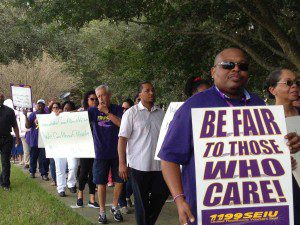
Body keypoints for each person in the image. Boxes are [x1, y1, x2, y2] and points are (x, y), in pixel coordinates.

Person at [158, 48, 300, 225]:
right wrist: (179, 200)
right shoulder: (193, 106)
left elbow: (266, 153)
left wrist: (288, 148)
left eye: (242, 66)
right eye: (228, 65)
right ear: (213, 71)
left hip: (258, 213)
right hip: (210, 215)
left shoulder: (259, 104)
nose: (236, 69)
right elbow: (168, 158)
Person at [118, 82, 170, 225]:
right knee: (141, 203)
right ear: (140, 94)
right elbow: (122, 140)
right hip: (138, 166)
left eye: (153, 90)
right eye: (147, 90)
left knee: (160, 196)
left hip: (159, 166)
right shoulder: (131, 113)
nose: (151, 93)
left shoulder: (161, 114)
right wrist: (122, 164)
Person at [265, 68, 300, 225]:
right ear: (273, 90)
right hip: (283, 188)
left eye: (296, 83)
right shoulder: (263, 120)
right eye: (288, 83)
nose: (295, 86)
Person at [88, 85, 124, 224]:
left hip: (117, 152)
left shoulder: (117, 109)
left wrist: (107, 112)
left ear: (109, 95)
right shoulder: (92, 111)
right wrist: (61, 113)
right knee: (101, 182)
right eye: (98, 96)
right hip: (100, 152)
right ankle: (102, 211)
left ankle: (114, 206)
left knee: (120, 181)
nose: (100, 99)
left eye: (103, 95)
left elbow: (122, 124)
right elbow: (77, 118)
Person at [76, 91, 99, 208]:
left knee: (93, 173)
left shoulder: (101, 112)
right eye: (92, 99)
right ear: (87, 100)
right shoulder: (81, 113)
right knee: (84, 172)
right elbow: (69, 117)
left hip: (98, 148)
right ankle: (80, 195)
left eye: (96, 99)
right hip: (85, 147)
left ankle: (92, 198)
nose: (94, 101)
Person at [54, 101, 78, 197]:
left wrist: (72, 113)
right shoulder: (56, 116)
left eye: (69, 109)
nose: (66, 111)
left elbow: (82, 111)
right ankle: (61, 188)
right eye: (65, 109)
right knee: (60, 168)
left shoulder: (77, 118)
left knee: (73, 165)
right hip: (58, 146)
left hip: (72, 146)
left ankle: (71, 183)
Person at [24, 99, 50, 181]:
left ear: (44, 106)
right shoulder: (33, 114)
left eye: (42, 104)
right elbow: (27, 126)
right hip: (34, 140)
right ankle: (32, 172)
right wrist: (25, 116)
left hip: (44, 140)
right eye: (39, 104)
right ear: (36, 106)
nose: (40, 106)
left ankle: (44, 173)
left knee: (44, 158)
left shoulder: (47, 115)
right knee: (33, 157)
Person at [0, 92, 20, 191]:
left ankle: (5, 184)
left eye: (1, 97)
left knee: (5, 162)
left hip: (6, 139)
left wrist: (17, 138)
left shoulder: (9, 111)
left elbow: (15, 125)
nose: (0, 98)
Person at [118, 98, 134, 214]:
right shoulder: (119, 118)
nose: (124, 110)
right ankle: (122, 203)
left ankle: (127, 197)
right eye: (122, 108)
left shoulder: (133, 117)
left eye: (127, 108)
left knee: (132, 181)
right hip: (121, 154)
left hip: (134, 154)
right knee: (122, 180)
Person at [49, 102, 61, 186]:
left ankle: (61, 179)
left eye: (57, 107)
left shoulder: (63, 116)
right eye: (54, 107)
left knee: (61, 163)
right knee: (53, 162)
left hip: (62, 143)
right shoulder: (48, 117)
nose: (55, 109)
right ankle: (54, 179)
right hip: (52, 143)